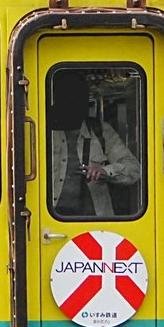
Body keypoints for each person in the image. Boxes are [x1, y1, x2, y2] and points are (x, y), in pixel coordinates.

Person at [48, 71, 140, 218]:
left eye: (80, 97)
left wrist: (105, 171)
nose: (74, 102)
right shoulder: (37, 131)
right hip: (47, 224)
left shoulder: (101, 131)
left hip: (96, 225)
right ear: (56, 99)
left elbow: (134, 169)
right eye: (68, 96)